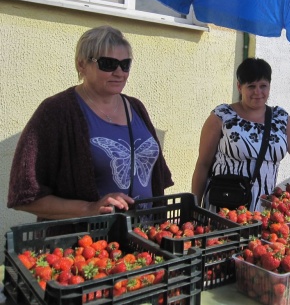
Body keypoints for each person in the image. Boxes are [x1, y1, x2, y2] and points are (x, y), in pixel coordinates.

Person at [7, 26, 173, 220]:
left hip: (143, 240)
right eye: (108, 64)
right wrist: (89, 208)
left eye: (125, 64)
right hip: (87, 245)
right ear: (81, 65)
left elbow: (156, 180)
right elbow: (24, 195)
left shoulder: (135, 107)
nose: (119, 72)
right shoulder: (57, 111)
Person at [191, 58, 290, 211]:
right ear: (239, 87)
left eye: (263, 85)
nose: (258, 92)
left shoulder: (281, 118)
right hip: (224, 205)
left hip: (263, 209)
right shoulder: (222, 115)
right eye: (251, 86)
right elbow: (203, 164)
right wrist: (193, 207)